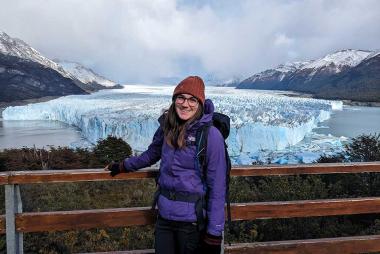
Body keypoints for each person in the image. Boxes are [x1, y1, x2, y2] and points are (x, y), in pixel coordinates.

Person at [105, 76, 227, 254]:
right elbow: (151, 154)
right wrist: (123, 166)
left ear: (200, 103)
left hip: (192, 222)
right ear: (174, 100)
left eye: (192, 99)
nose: (185, 104)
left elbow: (217, 186)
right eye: (181, 97)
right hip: (164, 219)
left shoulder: (210, 136)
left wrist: (214, 233)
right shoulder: (167, 128)